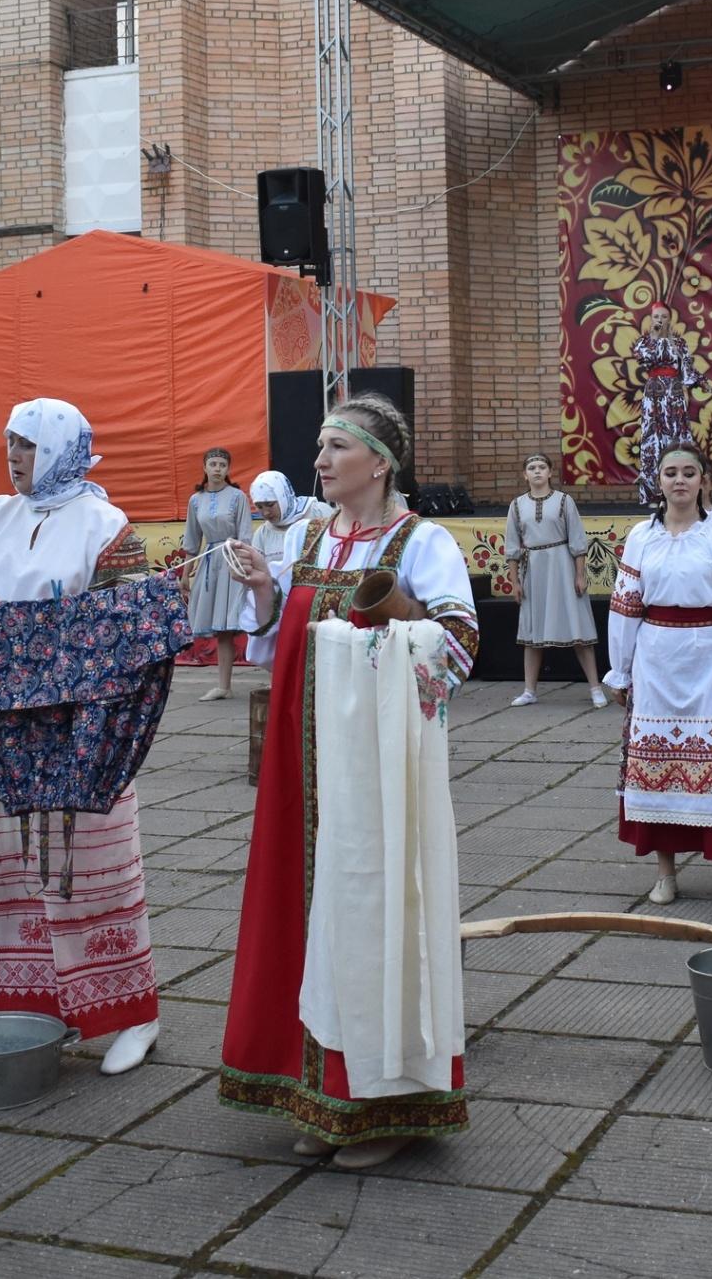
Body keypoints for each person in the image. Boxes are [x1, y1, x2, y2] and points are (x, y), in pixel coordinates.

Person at [221, 392, 479, 1167]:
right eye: (321, 447)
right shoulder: (309, 535)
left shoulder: (422, 541)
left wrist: (398, 622)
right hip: (298, 766)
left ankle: (383, 1103)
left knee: (373, 917)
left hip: (373, 774)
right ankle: (318, 1095)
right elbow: (283, 641)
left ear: (381, 460)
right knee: (302, 915)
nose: (320, 460)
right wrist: (264, 590)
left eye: (336, 446)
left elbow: (460, 650)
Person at [0, 403, 170, 1075]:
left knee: (91, 869)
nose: (12, 454)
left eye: (28, 444)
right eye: (10, 442)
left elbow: (127, 629)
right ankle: (22, 1006)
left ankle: (131, 1012)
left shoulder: (107, 527)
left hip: (81, 728)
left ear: (63, 449)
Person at [606, 444, 712, 907]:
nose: (679, 480)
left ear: (702, 481)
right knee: (657, 765)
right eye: (670, 472)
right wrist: (620, 670)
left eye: (688, 473)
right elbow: (624, 605)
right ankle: (666, 872)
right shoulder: (641, 537)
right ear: (658, 481)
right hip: (655, 658)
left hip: (708, 656)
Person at [506, 452, 604, 707]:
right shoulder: (517, 505)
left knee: (578, 627)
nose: (537, 471)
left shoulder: (564, 501)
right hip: (534, 570)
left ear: (550, 473)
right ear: (524, 475)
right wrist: (515, 581)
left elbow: (577, 540)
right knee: (532, 631)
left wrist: (580, 574)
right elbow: (512, 546)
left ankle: (595, 688)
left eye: (541, 467)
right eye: (531, 467)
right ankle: (529, 690)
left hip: (561, 566)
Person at [185, 447, 252, 703]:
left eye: (222, 464)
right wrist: (186, 574)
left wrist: (243, 567)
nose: (217, 468)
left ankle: (226, 684)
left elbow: (245, 535)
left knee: (228, 625)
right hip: (209, 562)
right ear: (204, 467)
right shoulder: (196, 500)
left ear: (228, 469)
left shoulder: (237, 497)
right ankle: (223, 685)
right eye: (212, 464)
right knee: (217, 626)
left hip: (232, 561)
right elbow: (192, 540)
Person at [629, 305, 700, 507]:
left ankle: (679, 492)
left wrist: (702, 383)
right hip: (653, 395)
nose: (660, 320)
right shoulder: (645, 342)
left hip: (674, 394)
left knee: (676, 438)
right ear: (651, 319)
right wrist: (654, 337)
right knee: (653, 440)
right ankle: (654, 494)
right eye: (656, 317)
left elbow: (688, 370)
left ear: (671, 319)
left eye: (664, 317)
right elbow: (643, 358)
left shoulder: (679, 342)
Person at [247, 470, 324, 570]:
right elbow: (258, 571)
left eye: (270, 505)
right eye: (259, 507)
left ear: (283, 496)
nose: (266, 512)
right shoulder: (263, 534)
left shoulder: (317, 512)